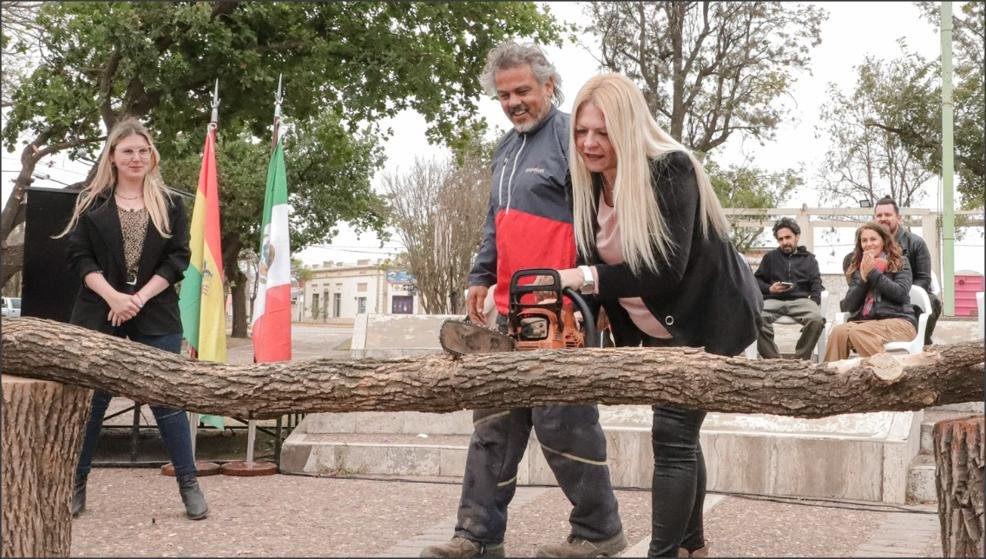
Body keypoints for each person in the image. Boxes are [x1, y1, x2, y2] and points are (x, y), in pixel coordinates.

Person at [421, 42, 626, 559]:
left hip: (561, 311)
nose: (513, 102)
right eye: (505, 94)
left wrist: (593, 293)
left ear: (549, 87)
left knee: (566, 423)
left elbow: (598, 221)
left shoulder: (570, 140)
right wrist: (480, 274)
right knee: (492, 424)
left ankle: (599, 532)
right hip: (509, 311)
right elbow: (495, 220)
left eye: (523, 91)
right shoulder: (505, 150)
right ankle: (477, 536)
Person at [548, 73, 761, 557]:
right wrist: (590, 312)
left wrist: (584, 279)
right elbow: (597, 266)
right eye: (581, 131)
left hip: (713, 318)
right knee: (680, 436)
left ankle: (663, 553)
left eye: (602, 132)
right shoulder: (583, 186)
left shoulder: (672, 170)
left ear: (627, 128)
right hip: (660, 328)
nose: (589, 142)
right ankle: (692, 546)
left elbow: (665, 269)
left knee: (672, 434)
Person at [58, 117, 207, 520]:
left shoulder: (172, 203)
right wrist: (113, 296)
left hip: (155, 312)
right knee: (91, 403)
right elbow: (78, 257)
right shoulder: (91, 201)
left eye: (143, 150)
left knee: (168, 402)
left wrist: (137, 298)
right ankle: (77, 485)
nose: (137, 157)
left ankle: (190, 485)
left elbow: (179, 259)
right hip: (98, 311)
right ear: (113, 156)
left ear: (152, 156)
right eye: (128, 151)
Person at [823, 222, 917, 361]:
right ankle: (830, 377)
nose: (868, 244)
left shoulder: (900, 262)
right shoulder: (859, 266)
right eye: (864, 240)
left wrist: (873, 273)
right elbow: (849, 306)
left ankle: (888, 373)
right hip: (867, 323)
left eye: (873, 239)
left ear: (883, 241)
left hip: (899, 322)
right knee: (838, 332)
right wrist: (862, 278)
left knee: (858, 332)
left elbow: (901, 294)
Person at [753, 217, 825, 360]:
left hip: (801, 301)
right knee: (755, 317)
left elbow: (816, 283)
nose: (784, 242)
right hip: (773, 301)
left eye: (788, 237)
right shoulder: (770, 258)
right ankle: (774, 361)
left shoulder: (809, 259)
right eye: (780, 239)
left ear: (796, 237)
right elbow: (756, 281)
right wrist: (770, 289)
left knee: (817, 319)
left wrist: (815, 301)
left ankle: (800, 359)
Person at [872, 196, 941, 345]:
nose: (883, 218)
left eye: (887, 215)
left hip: (907, 293)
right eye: (879, 215)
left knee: (932, 301)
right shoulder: (869, 242)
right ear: (874, 219)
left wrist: (899, 292)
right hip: (878, 294)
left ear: (899, 218)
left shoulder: (916, 243)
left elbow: (923, 279)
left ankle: (920, 343)